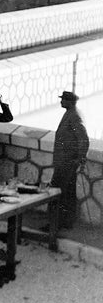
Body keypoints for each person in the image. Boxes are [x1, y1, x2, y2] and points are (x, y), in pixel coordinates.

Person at [50, 90, 89, 231]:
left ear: (70, 102)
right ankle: (63, 223)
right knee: (65, 193)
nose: (61, 101)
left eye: (63, 99)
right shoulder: (71, 114)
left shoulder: (74, 116)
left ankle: (59, 224)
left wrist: (80, 158)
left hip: (67, 163)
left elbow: (83, 138)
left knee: (60, 193)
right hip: (64, 162)